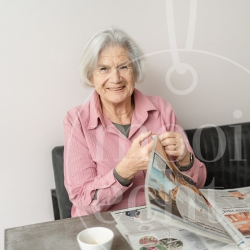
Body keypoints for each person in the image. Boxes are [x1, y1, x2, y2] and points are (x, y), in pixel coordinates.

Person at [64, 27, 206, 217]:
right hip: (105, 229)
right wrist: (126, 170)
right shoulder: (76, 121)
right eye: (104, 69)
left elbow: (197, 184)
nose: (115, 78)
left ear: (135, 71)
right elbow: (82, 199)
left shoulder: (162, 109)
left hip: (162, 222)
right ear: (91, 75)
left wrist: (185, 160)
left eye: (124, 67)